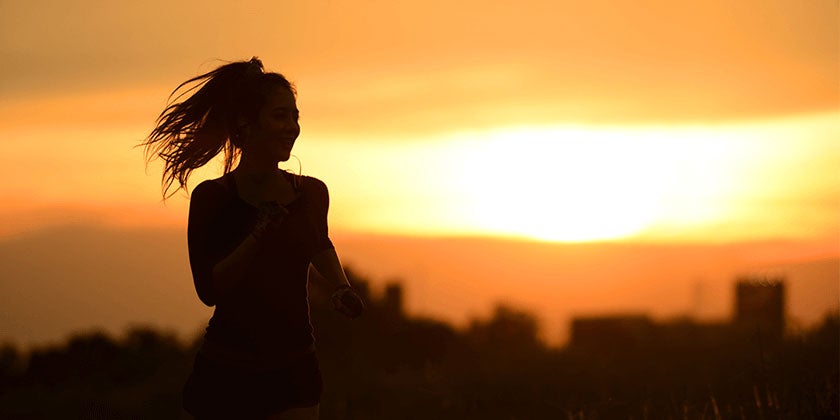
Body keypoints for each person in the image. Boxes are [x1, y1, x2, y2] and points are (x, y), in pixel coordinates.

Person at [142, 57, 364, 419]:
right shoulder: (212, 199)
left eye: (295, 117)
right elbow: (209, 290)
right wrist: (258, 234)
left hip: (295, 370)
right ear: (247, 124)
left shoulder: (311, 193)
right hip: (225, 372)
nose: (292, 127)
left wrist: (342, 287)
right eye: (280, 116)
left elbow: (318, 242)